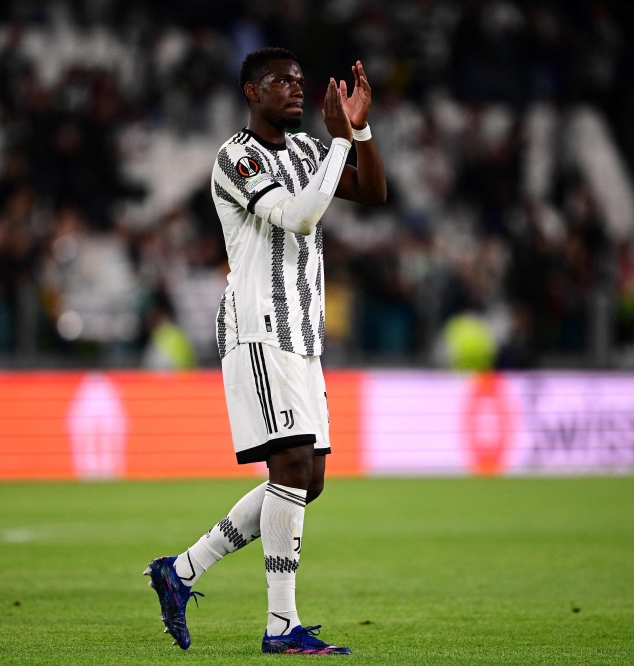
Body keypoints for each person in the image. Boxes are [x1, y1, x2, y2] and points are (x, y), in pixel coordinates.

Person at [145, 47, 386, 655]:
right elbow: (298, 219)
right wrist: (338, 144)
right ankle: (282, 625)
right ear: (251, 92)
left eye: (301, 81)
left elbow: (374, 191)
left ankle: (182, 571)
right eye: (281, 81)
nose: (296, 89)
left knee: (311, 480)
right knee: (291, 469)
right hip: (258, 328)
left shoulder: (309, 149)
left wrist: (360, 130)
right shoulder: (237, 157)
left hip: (304, 335)